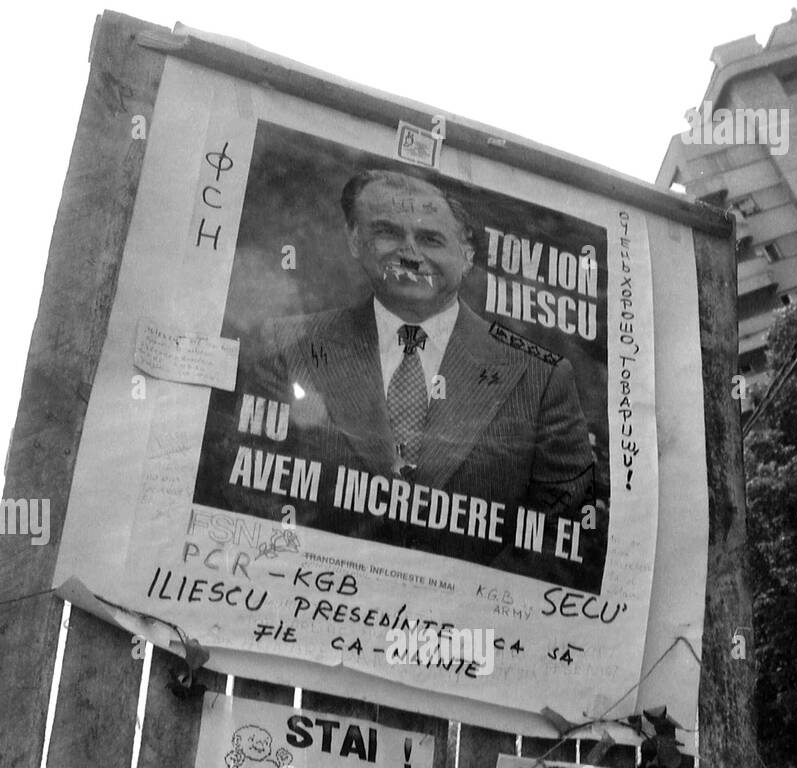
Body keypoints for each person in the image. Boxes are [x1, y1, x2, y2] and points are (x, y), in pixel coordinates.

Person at [233, 169, 599, 581]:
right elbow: (250, 493)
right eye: (388, 233)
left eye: (430, 238)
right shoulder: (287, 346)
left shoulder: (540, 378)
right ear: (356, 241)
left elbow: (565, 537)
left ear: (468, 255)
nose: (409, 254)